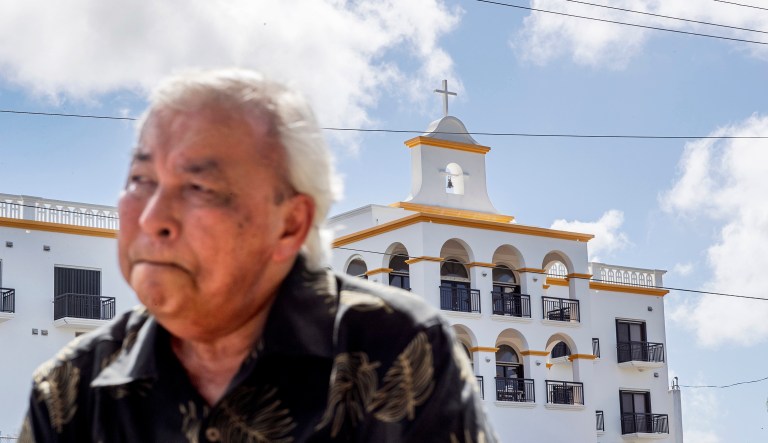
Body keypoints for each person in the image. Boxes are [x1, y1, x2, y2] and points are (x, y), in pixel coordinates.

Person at [20, 69, 496, 442]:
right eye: (141, 181)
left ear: (289, 223)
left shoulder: (400, 350)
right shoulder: (71, 387)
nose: (151, 217)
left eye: (198, 187)